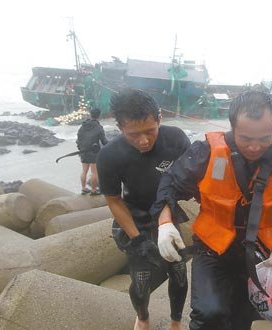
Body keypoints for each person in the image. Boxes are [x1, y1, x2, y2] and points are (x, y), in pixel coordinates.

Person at [150, 90, 272, 330]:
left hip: (262, 249)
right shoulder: (205, 152)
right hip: (212, 245)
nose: (255, 146)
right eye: (245, 138)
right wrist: (164, 224)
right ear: (232, 128)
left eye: (264, 138)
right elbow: (171, 184)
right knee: (208, 312)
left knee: (242, 317)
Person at [96, 89, 190, 330]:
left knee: (179, 273)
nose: (144, 140)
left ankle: (176, 321)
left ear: (159, 118)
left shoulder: (176, 139)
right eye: (133, 134)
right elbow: (114, 200)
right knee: (141, 281)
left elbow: (191, 180)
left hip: (167, 214)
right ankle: (143, 317)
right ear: (119, 127)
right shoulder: (109, 155)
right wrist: (137, 240)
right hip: (135, 216)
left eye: (150, 130)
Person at [76, 108, 108, 195]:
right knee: (94, 172)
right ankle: (93, 190)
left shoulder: (83, 126)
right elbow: (104, 141)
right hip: (94, 152)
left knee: (84, 171)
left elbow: (78, 139)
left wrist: (80, 148)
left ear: (90, 114)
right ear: (99, 116)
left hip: (83, 151)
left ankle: (83, 189)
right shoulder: (98, 127)